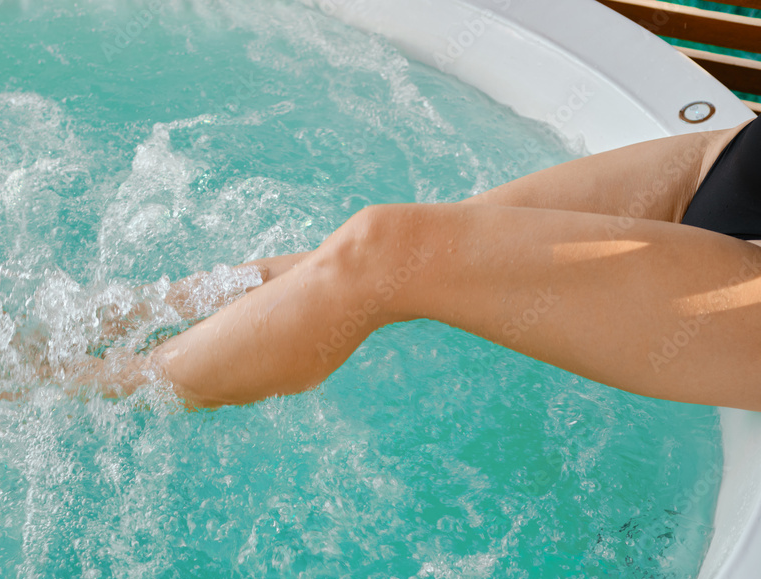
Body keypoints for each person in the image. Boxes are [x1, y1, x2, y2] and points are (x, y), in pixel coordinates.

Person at [53, 116, 761, 412]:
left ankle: (87, 394)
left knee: (393, 250)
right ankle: (124, 312)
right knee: (455, 233)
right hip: (737, 165)